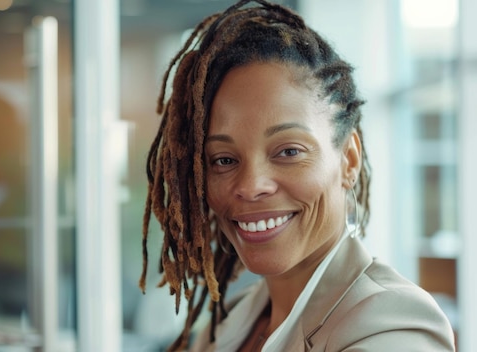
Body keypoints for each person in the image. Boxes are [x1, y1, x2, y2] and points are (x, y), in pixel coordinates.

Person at [138, 1, 456, 351]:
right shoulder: (230, 322)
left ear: (348, 160)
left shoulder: (392, 328)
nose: (250, 185)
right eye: (224, 159)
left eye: (288, 151)